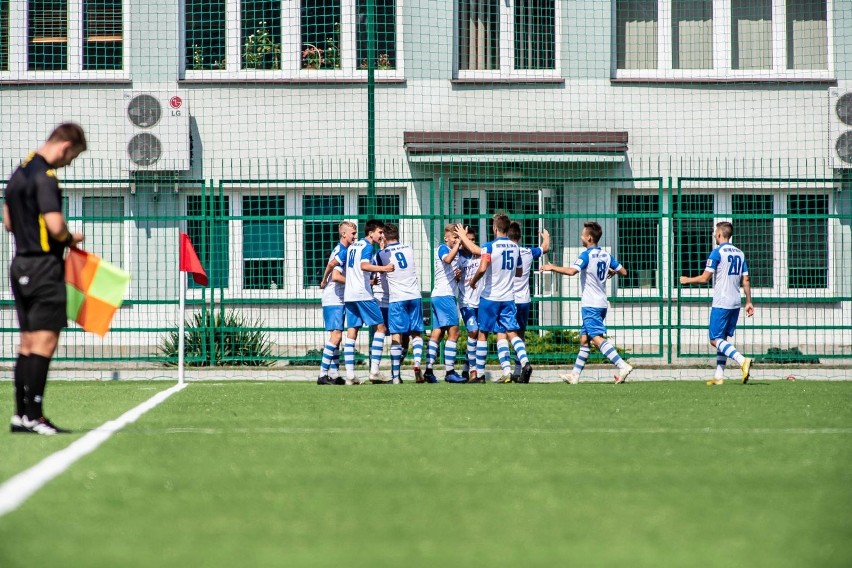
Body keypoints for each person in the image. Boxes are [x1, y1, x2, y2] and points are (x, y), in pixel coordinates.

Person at [5, 123, 86, 434]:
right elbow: (55, 226)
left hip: (21, 264)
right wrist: (70, 238)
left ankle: (21, 415)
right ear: (65, 147)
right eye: (71, 158)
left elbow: (9, 222)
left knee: (27, 342)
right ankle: (35, 415)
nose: (68, 163)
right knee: (45, 341)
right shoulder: (46, 177)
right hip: (44, 268)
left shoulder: (19, 172)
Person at [541, 221, 633, 385]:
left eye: (583, 234)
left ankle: (622, 365)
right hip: (602, 303)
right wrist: (610, 270)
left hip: (590, 304)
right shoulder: (605, 255)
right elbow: (624, 272)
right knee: (584, 340)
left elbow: (571, 271)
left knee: (596, 338)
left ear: (589, 238)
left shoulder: (586, 255)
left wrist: (552, 267)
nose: (581, 236)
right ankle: (575, 375)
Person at [680, 221, 755, 386]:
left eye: (715, 233)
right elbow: (746, 279)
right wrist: (749, 302)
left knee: (714, 339)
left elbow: (704, 278)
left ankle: (742, 360)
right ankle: (719, 375)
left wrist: (686, 280)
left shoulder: (717, 253)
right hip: (736, 301)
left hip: (722, 301)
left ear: (720, 234)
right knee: (723, 338)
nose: (714, 235)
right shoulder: (740, 253)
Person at [464, 214, 533, 384]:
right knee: (511, 332)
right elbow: (518, 272)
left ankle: (479, 374)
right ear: (508, 229)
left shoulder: (489, 246)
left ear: (494, 228)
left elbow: (482, 267)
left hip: (490, 297)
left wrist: (473, 281)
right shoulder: (515, 248)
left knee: (483, 333)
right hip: (508, 298)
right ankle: (525, 362)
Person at [339, 220, 394, 385]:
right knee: (381, 328)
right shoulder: (368, 247)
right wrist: (384, 269)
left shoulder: (353, 247)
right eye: (379, 232)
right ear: (371, 233)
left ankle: (350, 375)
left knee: (352, 332)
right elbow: (364, 266)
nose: (381, 235)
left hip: (349, 294)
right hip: (362, 294)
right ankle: (375, 372)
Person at [376, 223, 425, 384]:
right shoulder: (409, 249)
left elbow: (379, 268)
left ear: (384, 236)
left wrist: (381, 247)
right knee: (416, 333)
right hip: (414, 296)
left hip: (397, 298)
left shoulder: (382, 254)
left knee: (396, 335)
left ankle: (396, 377)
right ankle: (417, 362)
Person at [316, 221, 358, 385]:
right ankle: (322, 374)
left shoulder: (344, 250)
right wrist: (353, 282)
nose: (355, 236)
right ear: (344, 234)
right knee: (336, 335)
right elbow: (336, 275)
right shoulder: (343, 250)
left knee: (337, 337)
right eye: (353, 234)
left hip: (337, 298)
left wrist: (323, 278)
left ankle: (333, 374)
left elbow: (330, 265)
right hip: (333, 298)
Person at [508, 222, 550, 382]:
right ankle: (518, 371)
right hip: (524, 300)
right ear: (520, 236)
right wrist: (546, 237)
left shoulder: (502, 250)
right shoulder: (527, 251)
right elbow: (544, 248)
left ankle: (510, 370)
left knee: (506, 335)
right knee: (520, 335)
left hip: (509, 299)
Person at [424, 224, 464, 383]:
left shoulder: (454, 252)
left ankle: (428, 369)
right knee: (454, 333)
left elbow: (450, 271)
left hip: (440, 295)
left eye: (457, 237)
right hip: (444, 296)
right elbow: (447, 260)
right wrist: (459, 245)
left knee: (437, 333)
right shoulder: (442, 249)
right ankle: (450, 372)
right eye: (454, 238)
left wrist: (458, 276)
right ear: (446, 238)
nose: (456, 240)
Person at [455, 225, 486, 384]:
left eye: (473, 240)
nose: (470, 242)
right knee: (473, 332)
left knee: (480, 335)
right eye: (468, 239)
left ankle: (468, 367)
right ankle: (474, 372)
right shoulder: (458, 256)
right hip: (466, 302)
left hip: (481, 301)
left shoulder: (480, 254)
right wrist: (457, 275)